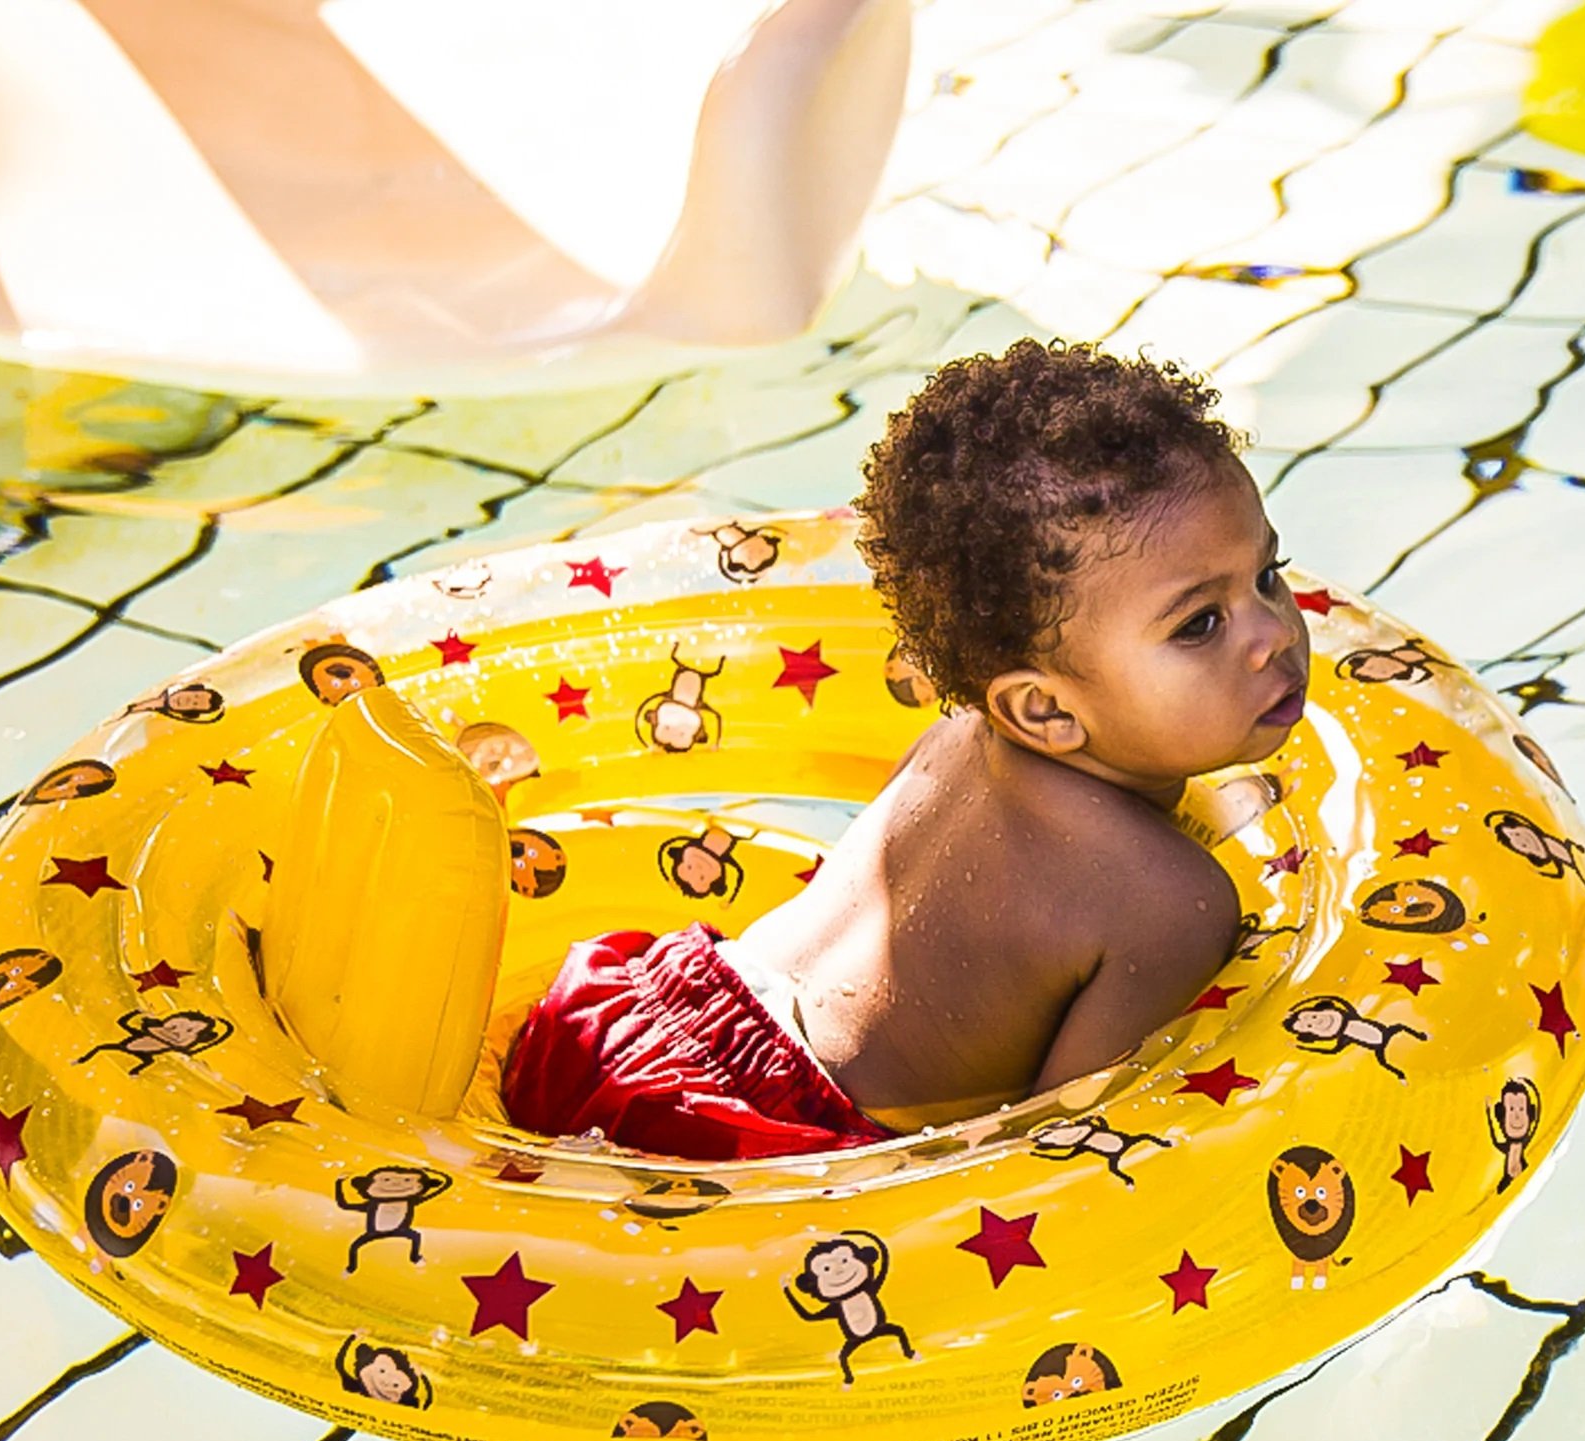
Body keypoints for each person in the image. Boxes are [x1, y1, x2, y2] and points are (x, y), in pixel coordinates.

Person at [502, 340, 1309, 1159]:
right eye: (1199, 623)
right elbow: (1056, 1155)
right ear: (1043, 709)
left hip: (626, 1011)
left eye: (1268, 574)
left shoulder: (952, 738)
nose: (1275, 634)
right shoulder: (1172, 905)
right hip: (739, 1145)